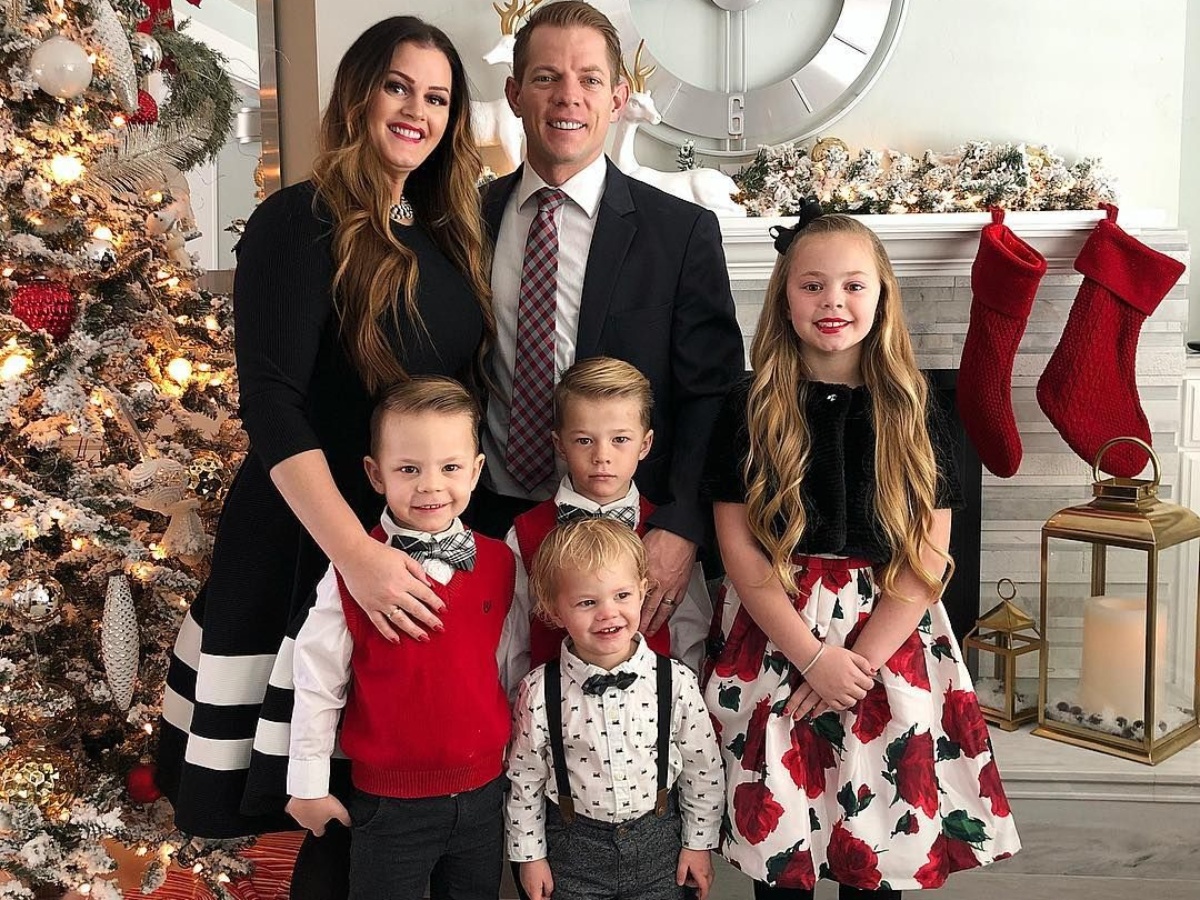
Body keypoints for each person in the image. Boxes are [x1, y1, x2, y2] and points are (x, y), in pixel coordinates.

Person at [155, 14, 494, 894]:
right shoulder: (297, 220)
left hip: (411, 532)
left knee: (398, 796)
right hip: (313, 540)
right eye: (398, 87)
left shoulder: (446, 230)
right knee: (324, 811)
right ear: (357, 93)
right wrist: (358, 557)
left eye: (437, 97)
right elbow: (271, 406)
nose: (416, 111)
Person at [701, 212, 1021, 898]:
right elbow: (739, 548)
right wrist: (812, 657)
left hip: (889, 642)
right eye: (812, 285)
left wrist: (859, 661)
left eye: (853, 285)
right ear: (785, 297)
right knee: (782, 848)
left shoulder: (919, 408)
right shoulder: (748, 406)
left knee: (874, 843)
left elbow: (928, 554)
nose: (833, 302)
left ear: (882, 296)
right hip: (778, 635)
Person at [472, 0, 744, 652]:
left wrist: (682, 524)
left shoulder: (680, 234)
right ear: (514, 93)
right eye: (545, 77)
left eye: (589, 79)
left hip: (631, 535)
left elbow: (712, 393)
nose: (568, 96)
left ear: (619, 98)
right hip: (488, 521)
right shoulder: (463, 222)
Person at [286, 377, 515, 900]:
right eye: (409, 469)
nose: (431, 486)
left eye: (450, 468)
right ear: (376, 474)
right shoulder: (350, 569)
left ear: (476, 470)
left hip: (485, 794)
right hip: (391, 806)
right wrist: (307, 784)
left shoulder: (502, 562)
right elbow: (317, 677)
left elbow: (508, 666)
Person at [506, 517, 724, 900]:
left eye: (622, 595)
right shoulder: (539, 691)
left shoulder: (675, 681)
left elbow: (702, 769)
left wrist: (698, 844)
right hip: (573, 852)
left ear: (643, 592)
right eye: (587, 602)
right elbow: (525, 780)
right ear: (554, 611)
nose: (608, 612)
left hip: (661, 846)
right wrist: (530, 856)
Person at [501, 356, 712, 693]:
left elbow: (690, 633)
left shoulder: (668, 538)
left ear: (645, 444)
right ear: (559, 444)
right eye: (584, 440)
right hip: (555, 712)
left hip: (653, 710)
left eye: (620, 440)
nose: (602, 455)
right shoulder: (525, 534)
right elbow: (512, 645)